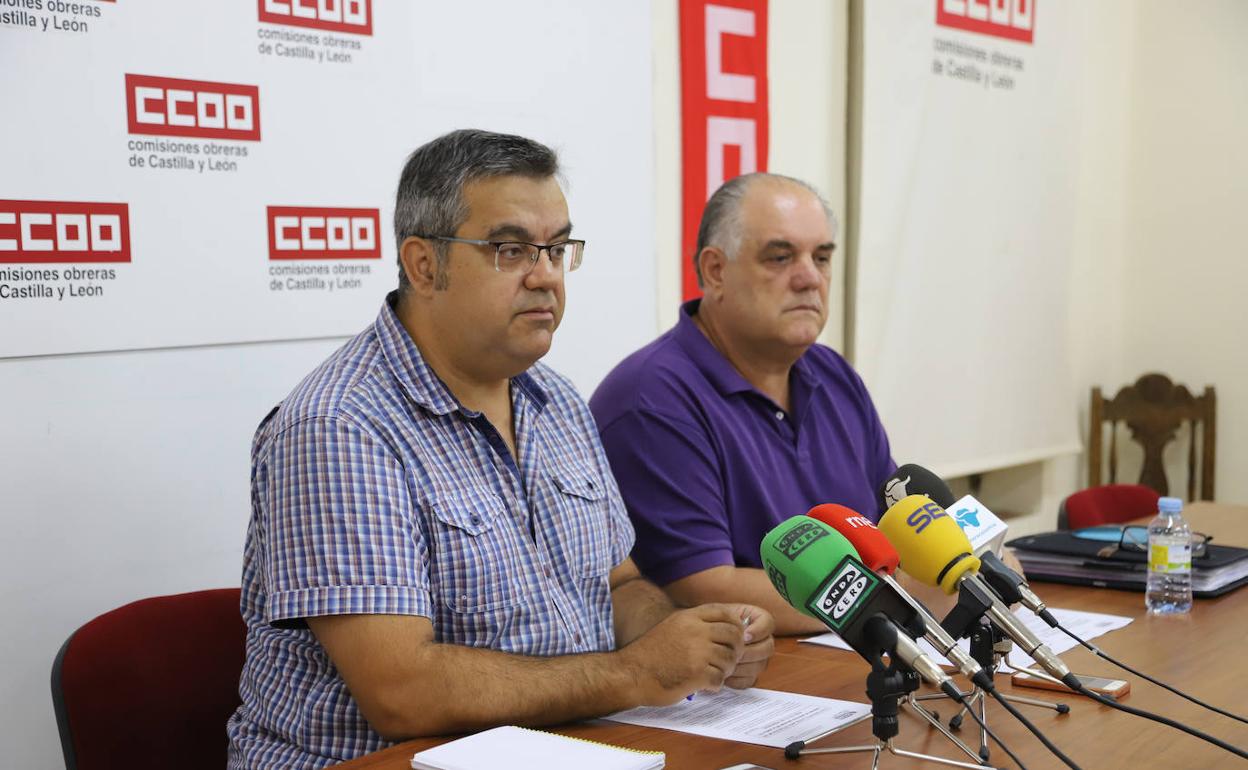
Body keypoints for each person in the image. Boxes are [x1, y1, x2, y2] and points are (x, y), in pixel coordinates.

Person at [227, 130, 774, 770]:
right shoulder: (340, 428)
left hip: (565, 747)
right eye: (510, 250)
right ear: (424, 265)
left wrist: (699, 638)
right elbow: (402, 693)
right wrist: (636, 672)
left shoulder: (556, 400)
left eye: (557, 248)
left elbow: (617, 584)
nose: (545, 276)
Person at [590, 173, 898, 636]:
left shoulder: (834, 374)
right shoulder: (650, 398)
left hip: (853, 651)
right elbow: (703, 588)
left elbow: (893, 525)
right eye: (780, 257)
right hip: (754, 670)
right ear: (716, 271)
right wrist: (892, 600)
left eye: (821, 257)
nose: (810, 279)